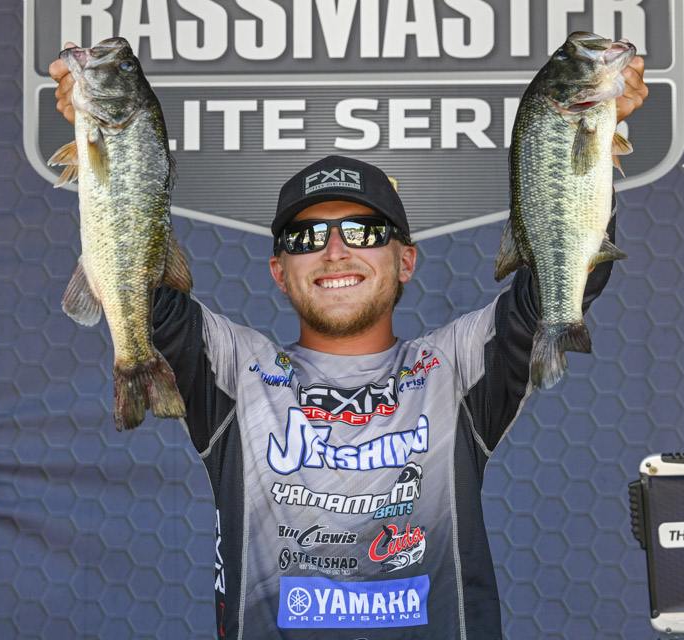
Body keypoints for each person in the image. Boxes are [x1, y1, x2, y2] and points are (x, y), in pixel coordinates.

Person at [50, 47, 648, 640]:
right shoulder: (236, 370)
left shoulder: (455, 366)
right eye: (306, 236)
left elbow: (559, 284)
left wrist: (589, 142)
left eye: (364, 230)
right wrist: (117, 148)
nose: (335, 251)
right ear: (279, 271)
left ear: (405, 259)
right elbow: (141, 287)